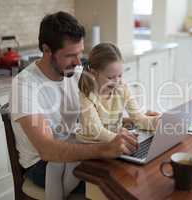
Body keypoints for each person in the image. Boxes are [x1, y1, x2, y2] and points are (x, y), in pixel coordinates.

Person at [10, 11, 138, 195]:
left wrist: (128, 121)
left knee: (129, 170)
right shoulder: (24, 85)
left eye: (80, 53)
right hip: (42, 165)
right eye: (70, 55)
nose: (78, 62)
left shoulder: (76, 73)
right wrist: (103, 149)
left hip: (78, 146)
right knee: (118, 184)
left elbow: (93, 114)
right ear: (47, 50)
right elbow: (47, 150)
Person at [77, 43, 160, 143]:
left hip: (116, 143)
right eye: (110, 77)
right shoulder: (87, 96)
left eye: (120, 75)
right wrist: (122, 139)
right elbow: (97, 131)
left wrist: (158, 122)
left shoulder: (122, 88)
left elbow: (138, 119)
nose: (117, 82)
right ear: (94, 74)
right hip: (91, 146)